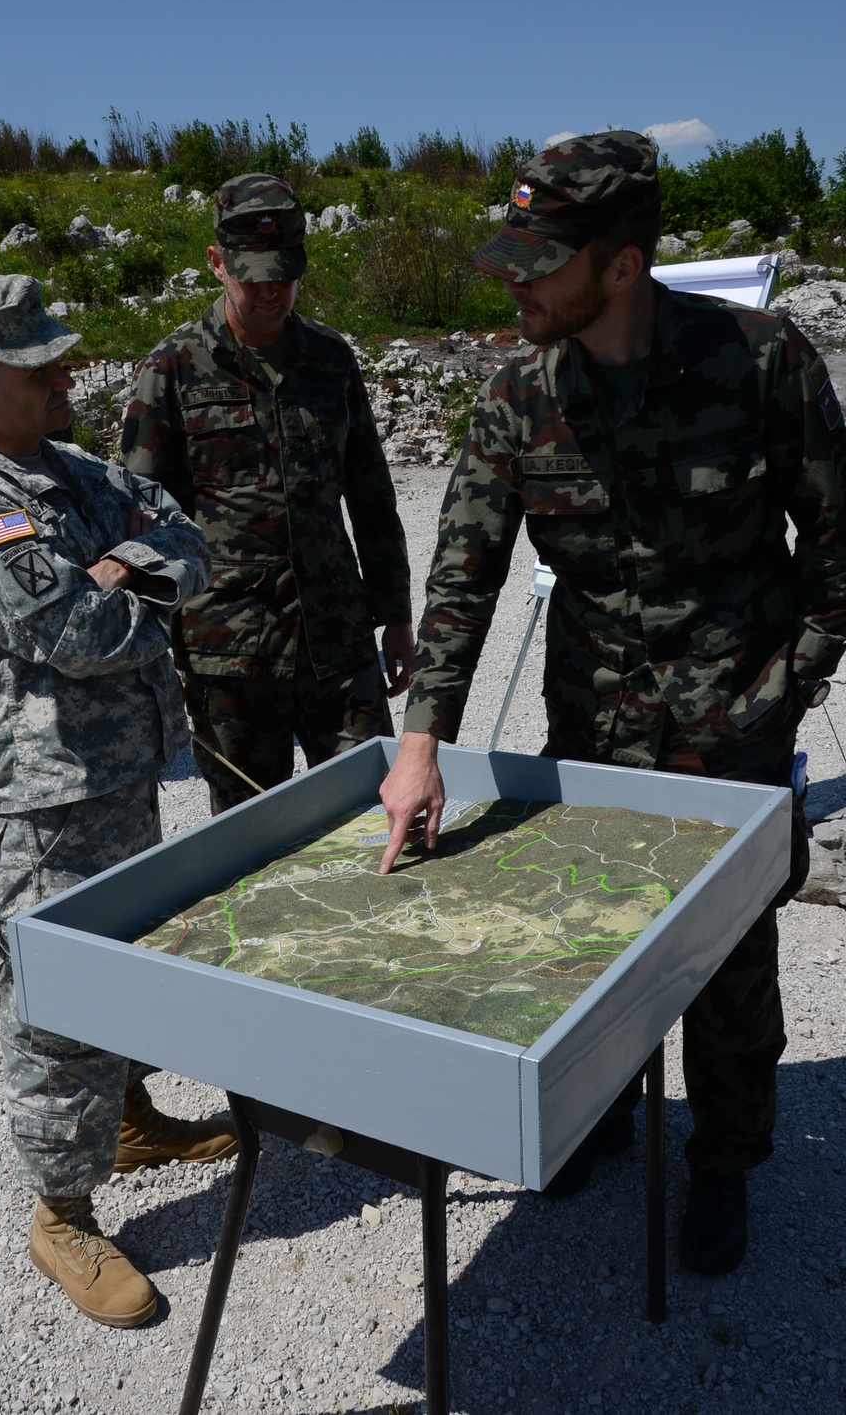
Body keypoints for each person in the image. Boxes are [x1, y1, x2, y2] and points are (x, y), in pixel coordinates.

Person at [378, 132, 846, 1275]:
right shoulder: (514, 396)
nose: (513, 280)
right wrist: (420, 741)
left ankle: (725, 1162)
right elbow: (462, 578)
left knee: (728, 964)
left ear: (622, 264)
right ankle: (591, 1119)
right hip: (592, 734)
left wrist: (781, 695)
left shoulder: (763, 363)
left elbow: (836, 551)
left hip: (734, 739)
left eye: (540, 262)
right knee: (594, 942)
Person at [0, 270, 236, 1329]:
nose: (64, 378)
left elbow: (191, 540)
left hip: (122, 782)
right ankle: (61, 1212)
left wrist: (113, 566)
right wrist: (133, 576)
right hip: (44, 812)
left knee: (124, 968)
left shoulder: (73, 470)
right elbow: (84, 639)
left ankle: (127, 1120)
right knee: (51, 1014)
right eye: (35, 368)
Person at [121, 173, 412, 812]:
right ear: (217, 263)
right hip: (229, 654)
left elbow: (371, 496)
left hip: (338, 640)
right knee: (251, 832)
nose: (269, 290)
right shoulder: (170, 369)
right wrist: (151, 647)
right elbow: (140, 520)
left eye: (282, 272)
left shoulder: (332, 359)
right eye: (252, 275)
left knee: (372, 806)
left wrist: (395, 612)